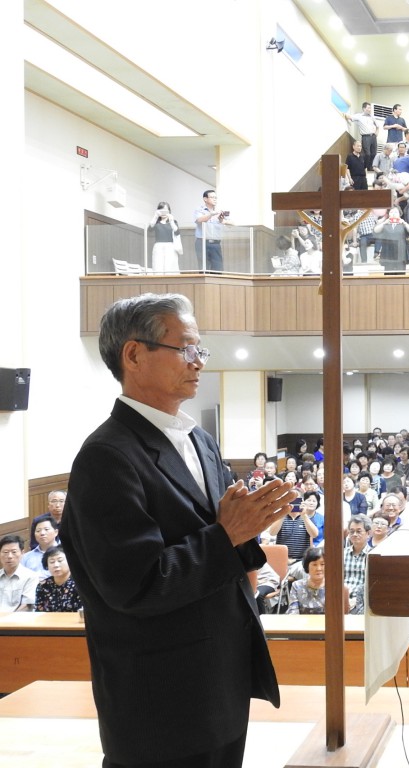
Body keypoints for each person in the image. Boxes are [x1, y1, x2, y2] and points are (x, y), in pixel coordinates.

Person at [61, 292, 298, 768]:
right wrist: (228, 535)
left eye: (200, 349)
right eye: (186, 348)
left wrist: (247, 527)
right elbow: (136, 586)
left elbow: (228, 540)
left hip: (220, 679)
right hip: (160, 698)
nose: (199, 362)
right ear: (134, 355)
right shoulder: (108, 456)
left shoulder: (199, 440)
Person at [34, 544, 83, 612]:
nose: (56, 565)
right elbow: (39, 611)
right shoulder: (43, 585)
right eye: (52, 562)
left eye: (60, 561)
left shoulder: (80, 584)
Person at [193, 189, 230, 272]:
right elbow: (199, 220)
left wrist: (223, 221)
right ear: (205, 199)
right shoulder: (199, 210)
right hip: (202, 242)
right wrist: (211, 214)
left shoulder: (220, 211)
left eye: (216, 198)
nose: (215, 199)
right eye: (212, 197)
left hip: (216, 243)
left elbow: (232, 223)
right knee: (204, 268)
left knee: (218, 268)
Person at [0, 534, 38, 613]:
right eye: (5, 552)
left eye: (14, 552)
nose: (9, 556)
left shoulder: (31, 576)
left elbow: (26, 606)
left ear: (22, 553)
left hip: (17, 619)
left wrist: (8, 619)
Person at [286, 546, 327, 614]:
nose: (319, 568)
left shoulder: (335, 586)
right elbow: (293, 611)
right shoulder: (297, 586)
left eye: (322, 564)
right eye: (314, 564)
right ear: (307, 566)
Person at [373, 206, 409, 274]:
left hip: (400, 252)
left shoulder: (403, 224)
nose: (393, 214)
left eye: (396, 212)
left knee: (401, 274)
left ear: (399, 214)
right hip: (388, 253)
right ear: (389, 214)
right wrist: (384, 222)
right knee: (389, 274)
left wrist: (403, 222)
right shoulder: (385, 224)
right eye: (391, 212)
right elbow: (376, 230)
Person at [344, 101, 380, 170]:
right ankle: (364, 167)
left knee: (374, 153)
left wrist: (377, 132)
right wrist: (344, 115)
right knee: (367, 154)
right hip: (365, 137)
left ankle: (370, 167)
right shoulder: (359, 116)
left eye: (370, 108)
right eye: (368, 108)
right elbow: (349, 117)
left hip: (373, 136)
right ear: (364, 108)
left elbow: (378, 126)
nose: (370, 109)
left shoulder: (372, 117)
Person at [148, 202, 181, 274]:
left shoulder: (173, 221)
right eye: (161, 210)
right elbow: (149, 230)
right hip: (158, 246)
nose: (163, 212)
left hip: (170, 247)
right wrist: (155, 216)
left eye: (165, 210)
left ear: (169, 211)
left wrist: (171, 221)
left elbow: (177, 232)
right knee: (158, 267)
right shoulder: (156, 222)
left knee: (170, 268)